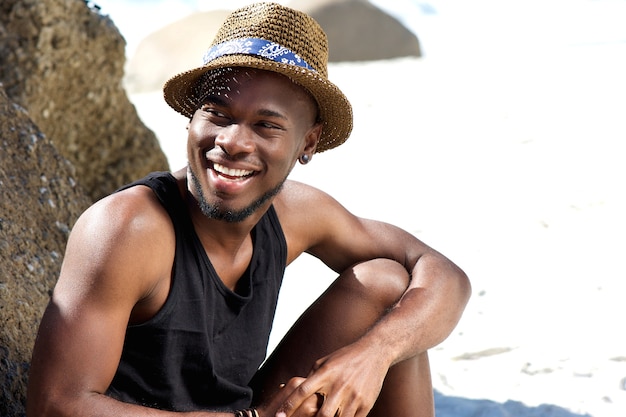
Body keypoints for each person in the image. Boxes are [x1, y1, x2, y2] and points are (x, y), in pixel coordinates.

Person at [26, 2, 470, 417]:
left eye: (266, 125)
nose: (232, 142)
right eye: (217, 114)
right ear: (192, 117)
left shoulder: (297, 213)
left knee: (387, 284)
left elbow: (443, 274)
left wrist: (374, 354)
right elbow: (56, 404)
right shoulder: (128, 227)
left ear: (308, 143)